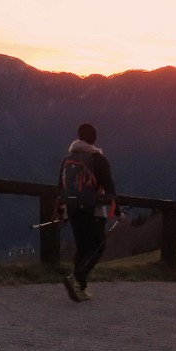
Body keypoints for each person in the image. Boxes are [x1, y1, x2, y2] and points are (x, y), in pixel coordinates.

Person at [56, 122, 118, 302]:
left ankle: (80, 288)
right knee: (98, 246)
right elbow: (109, 185)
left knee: (82, 247)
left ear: (78, 137)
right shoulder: (97, 158)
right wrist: (118, 210)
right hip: (94, 209)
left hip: (73, 209)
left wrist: (62, 209)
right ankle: (79, 277)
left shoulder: (68, 158)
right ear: (94, 139)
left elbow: (61, 186)